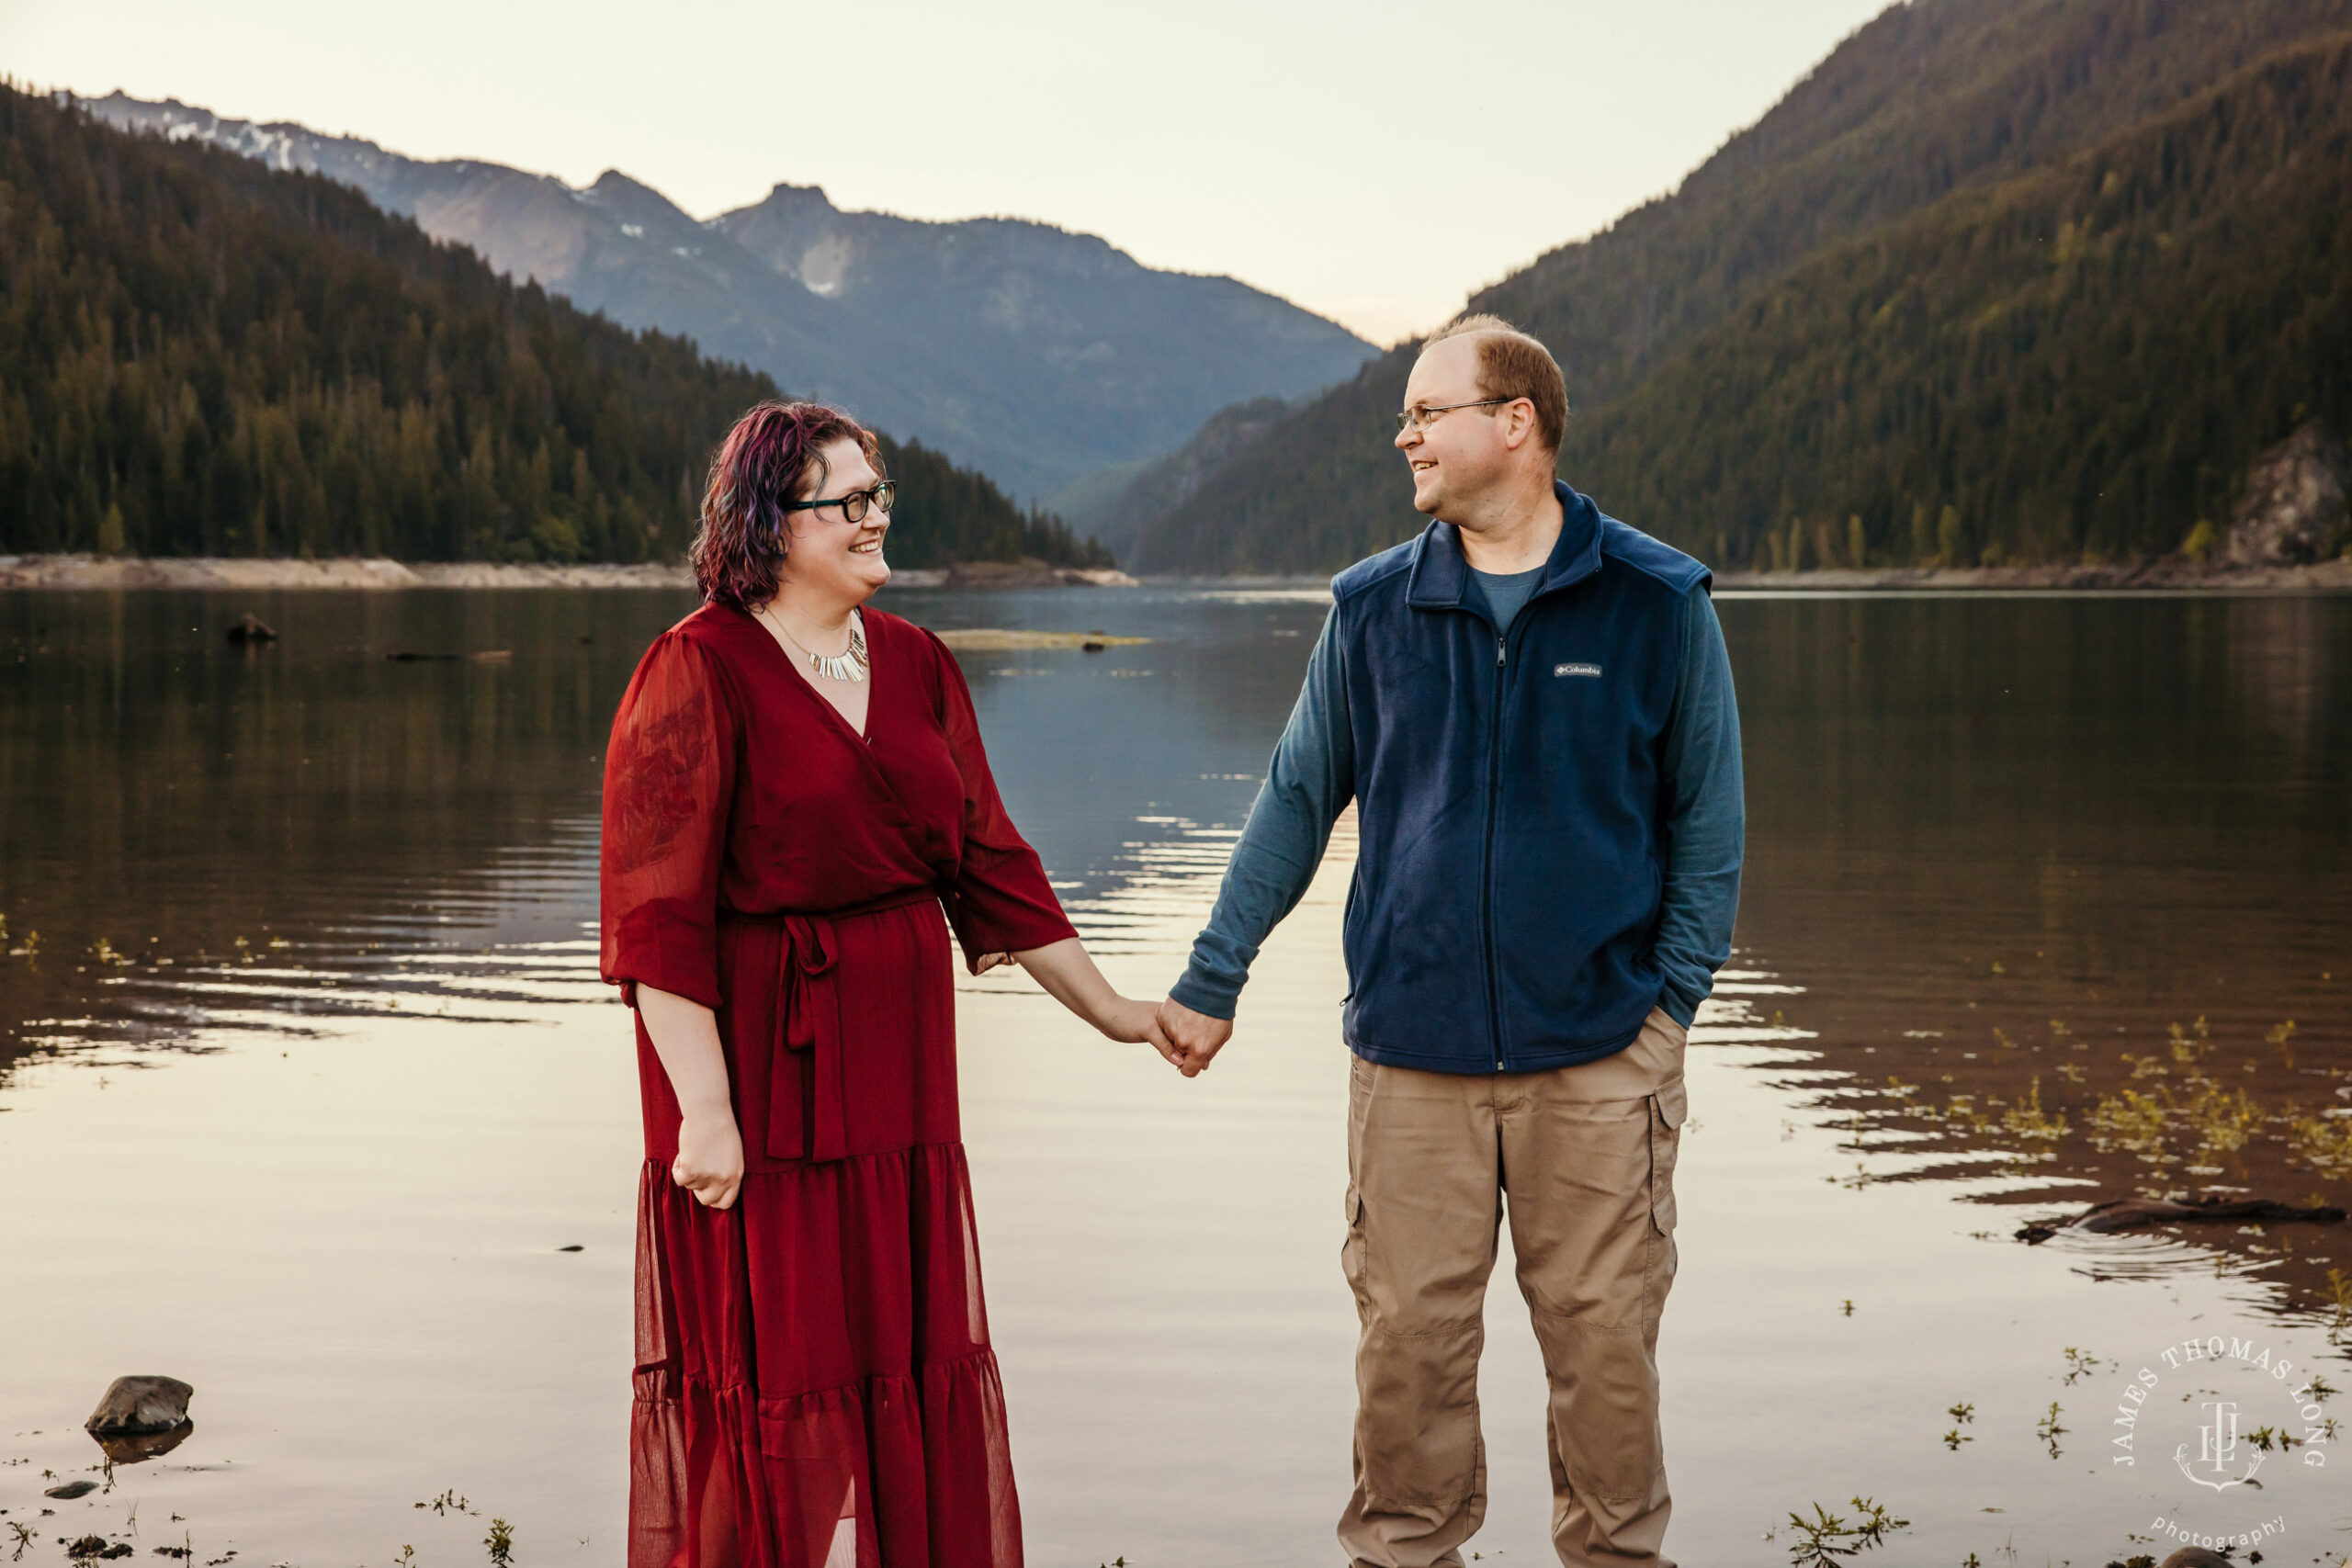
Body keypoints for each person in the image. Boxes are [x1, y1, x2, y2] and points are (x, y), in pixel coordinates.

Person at [1154, 316, 1744, 1568]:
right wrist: (1215, 973)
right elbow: (1298, 797)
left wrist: (1668, 1009)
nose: (1403, 433)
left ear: (1514, 422)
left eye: (1428, 410)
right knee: (1409, 1352)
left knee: (1605, 1347)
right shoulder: (1373, 609)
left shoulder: (1657, 600)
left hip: (1599, 1056)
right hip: (1411, 1057)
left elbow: (1710, 826)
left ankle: (1618, 1557)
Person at [599, 400, 1175, 1568]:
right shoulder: (695, 668)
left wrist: (1115, 1012)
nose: (875, 520)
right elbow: (656, 916)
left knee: (891, 1375)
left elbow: (991, 859)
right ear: (772, 522)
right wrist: (705, 1114)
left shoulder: (911, 661)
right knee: (775, 1394)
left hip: (900, 1083)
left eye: (879, 497)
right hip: (761, 1081)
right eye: (849, 502)